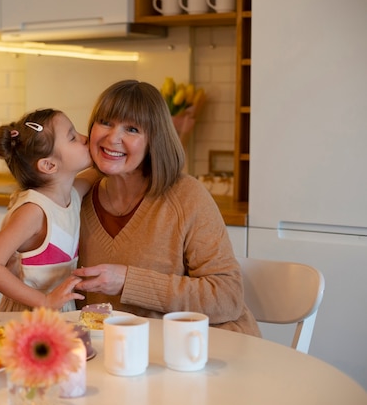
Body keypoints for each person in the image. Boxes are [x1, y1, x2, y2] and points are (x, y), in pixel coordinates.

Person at [72, 80, 261, 336]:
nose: (112, 137)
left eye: (132, 129)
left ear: (154, 140)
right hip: (115, 350)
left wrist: (129, 281)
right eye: (105, 122)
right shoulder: (75, 198)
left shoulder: (186, 196)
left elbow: (227, 297)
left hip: (199, 351)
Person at [0, 109, 96, 312]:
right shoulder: (33, 211)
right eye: (73, 137)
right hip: (28, 316)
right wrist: (45, 301)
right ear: (49, 165)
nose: (85, 139)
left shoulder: (74, 194)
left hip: (60, 314)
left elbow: (102, 169)